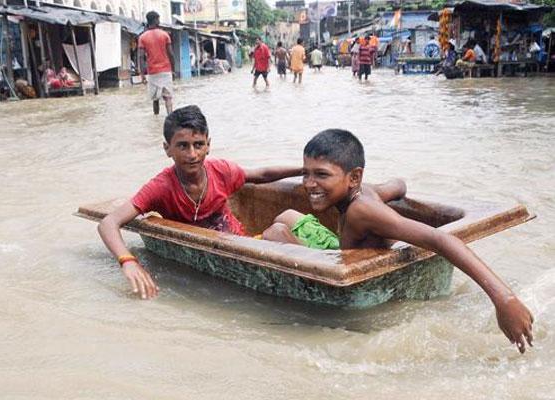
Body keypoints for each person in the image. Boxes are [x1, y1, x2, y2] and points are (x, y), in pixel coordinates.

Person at [262, 129, 534, 354]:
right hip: (341, 249)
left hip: (351, 276)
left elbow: (438, 239)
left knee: (275, 233)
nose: (309, 184)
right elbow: (398, 185)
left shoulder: (363, 210)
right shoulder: (365, 192)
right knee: (287, 215)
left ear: (354, 177)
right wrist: (393, 188)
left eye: (321, 175)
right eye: (306, 173)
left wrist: (504, 299)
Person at [97, 105, 302, 299]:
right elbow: (108, 223)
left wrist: (304, 170)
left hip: (243, 245)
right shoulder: (162, 186)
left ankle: (310, 278)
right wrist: (128, 261)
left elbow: (262, 174)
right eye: (183, 146)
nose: (192, 154)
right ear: (167, 149)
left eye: (198, 145)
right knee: (277, 231)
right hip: (223, 257)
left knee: (287, 220)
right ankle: (304, 284)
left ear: (208, 145)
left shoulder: (221, 171)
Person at [138, 11, 176, 115]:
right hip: (166, 70)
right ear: (155, 20)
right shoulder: (165, 35)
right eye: (158, 19)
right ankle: (170, 120)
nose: (159, 21)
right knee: (168, 98)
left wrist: (142, 74)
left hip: (152, 72)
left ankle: (156, 118)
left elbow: (141, 57)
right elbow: (171, 54)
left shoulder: (142, 37)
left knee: (155, 99)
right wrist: (173, 70)